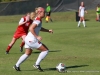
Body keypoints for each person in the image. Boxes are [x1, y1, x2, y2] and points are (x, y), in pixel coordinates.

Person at [13, 7, 53, 72]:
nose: (45, 13)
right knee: (45, 50)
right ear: (39, 12)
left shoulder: (38, 19)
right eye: (43, 12)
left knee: (27, 53)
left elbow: (39, 28)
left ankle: (16, 65)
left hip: (28, 39)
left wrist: (48, 30)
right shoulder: (38, 20)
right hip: (32, 40)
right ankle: (37, 64)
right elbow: (31, 28)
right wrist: (37, 36)